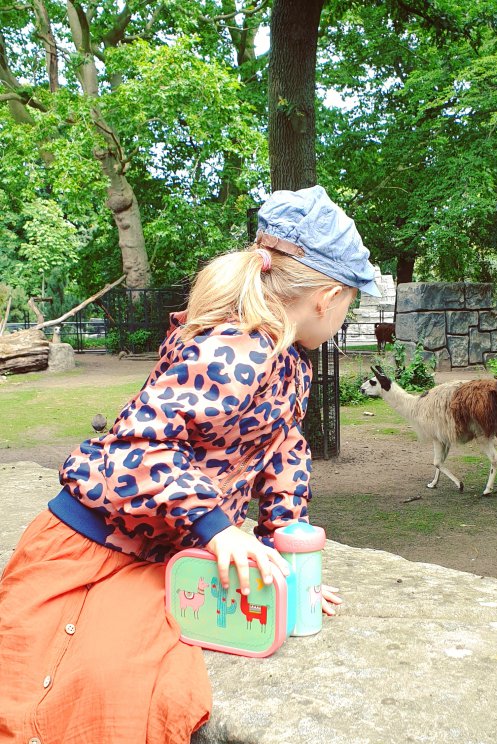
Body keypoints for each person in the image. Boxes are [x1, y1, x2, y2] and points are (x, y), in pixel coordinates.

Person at [0, 185, 381, 744]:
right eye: (351, 300)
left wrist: (286, 569)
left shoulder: (288, 361)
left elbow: (282, 455)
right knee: (53, 695)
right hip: (94, 549)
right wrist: (218, 530)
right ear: (326, 296)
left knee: (146, 697)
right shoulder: (233, 348)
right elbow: (138, 451)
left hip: (164, 555)